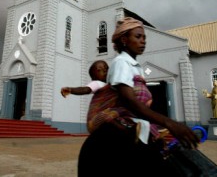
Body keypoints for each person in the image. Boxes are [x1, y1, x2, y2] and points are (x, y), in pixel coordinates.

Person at [78, 17, 199, 176]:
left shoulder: (136, 68)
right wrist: (170, 123)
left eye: (144, 37)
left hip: (136, 123)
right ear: (124, 39)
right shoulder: (121, 62)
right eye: (138, 37)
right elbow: (130, 102)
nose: (143, 41)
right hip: (120, 127)